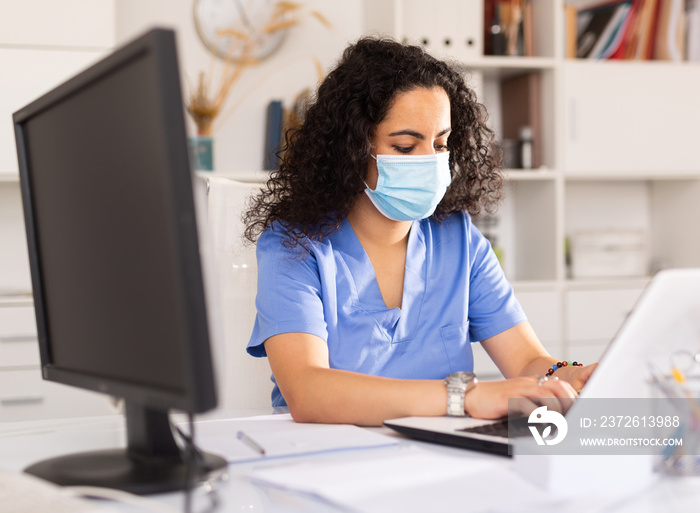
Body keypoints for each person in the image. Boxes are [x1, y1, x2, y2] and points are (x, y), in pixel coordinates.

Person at [243, 37, 596, 426]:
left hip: (440, 453)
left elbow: (528, 360)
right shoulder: (293, 246)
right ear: (354, 148)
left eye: (441, 144)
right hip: (325, 458)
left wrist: (571, 373)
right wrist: (465, 397)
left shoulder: (458, 239)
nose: (430, 163)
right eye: (407, 147)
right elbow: (308, 391)